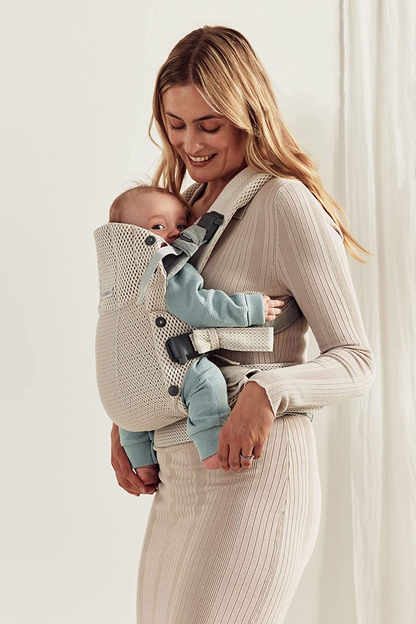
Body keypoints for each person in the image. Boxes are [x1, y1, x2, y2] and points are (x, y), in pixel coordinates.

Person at [109, 26, 376, 624]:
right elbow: (150, 331)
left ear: (247, 116)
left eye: (209, 125)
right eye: (176, 124)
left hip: (258, 477)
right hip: (179, 479)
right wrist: (131, 413)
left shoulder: (283, 203)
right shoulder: (178, 213)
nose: (190, 144)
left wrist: (268, 390)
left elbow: (356, 361)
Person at [105, 183, 284, 479]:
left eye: (181, 225)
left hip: (125, 377)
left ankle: (142, 462)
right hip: (167, 368)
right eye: (158, 226)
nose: (174, 233)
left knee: (134, 412)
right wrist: (249, 308)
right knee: (206, 379)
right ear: (129, 235)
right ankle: (212, 445)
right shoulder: (164, 268)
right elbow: (198, 305)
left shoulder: (115, 277)